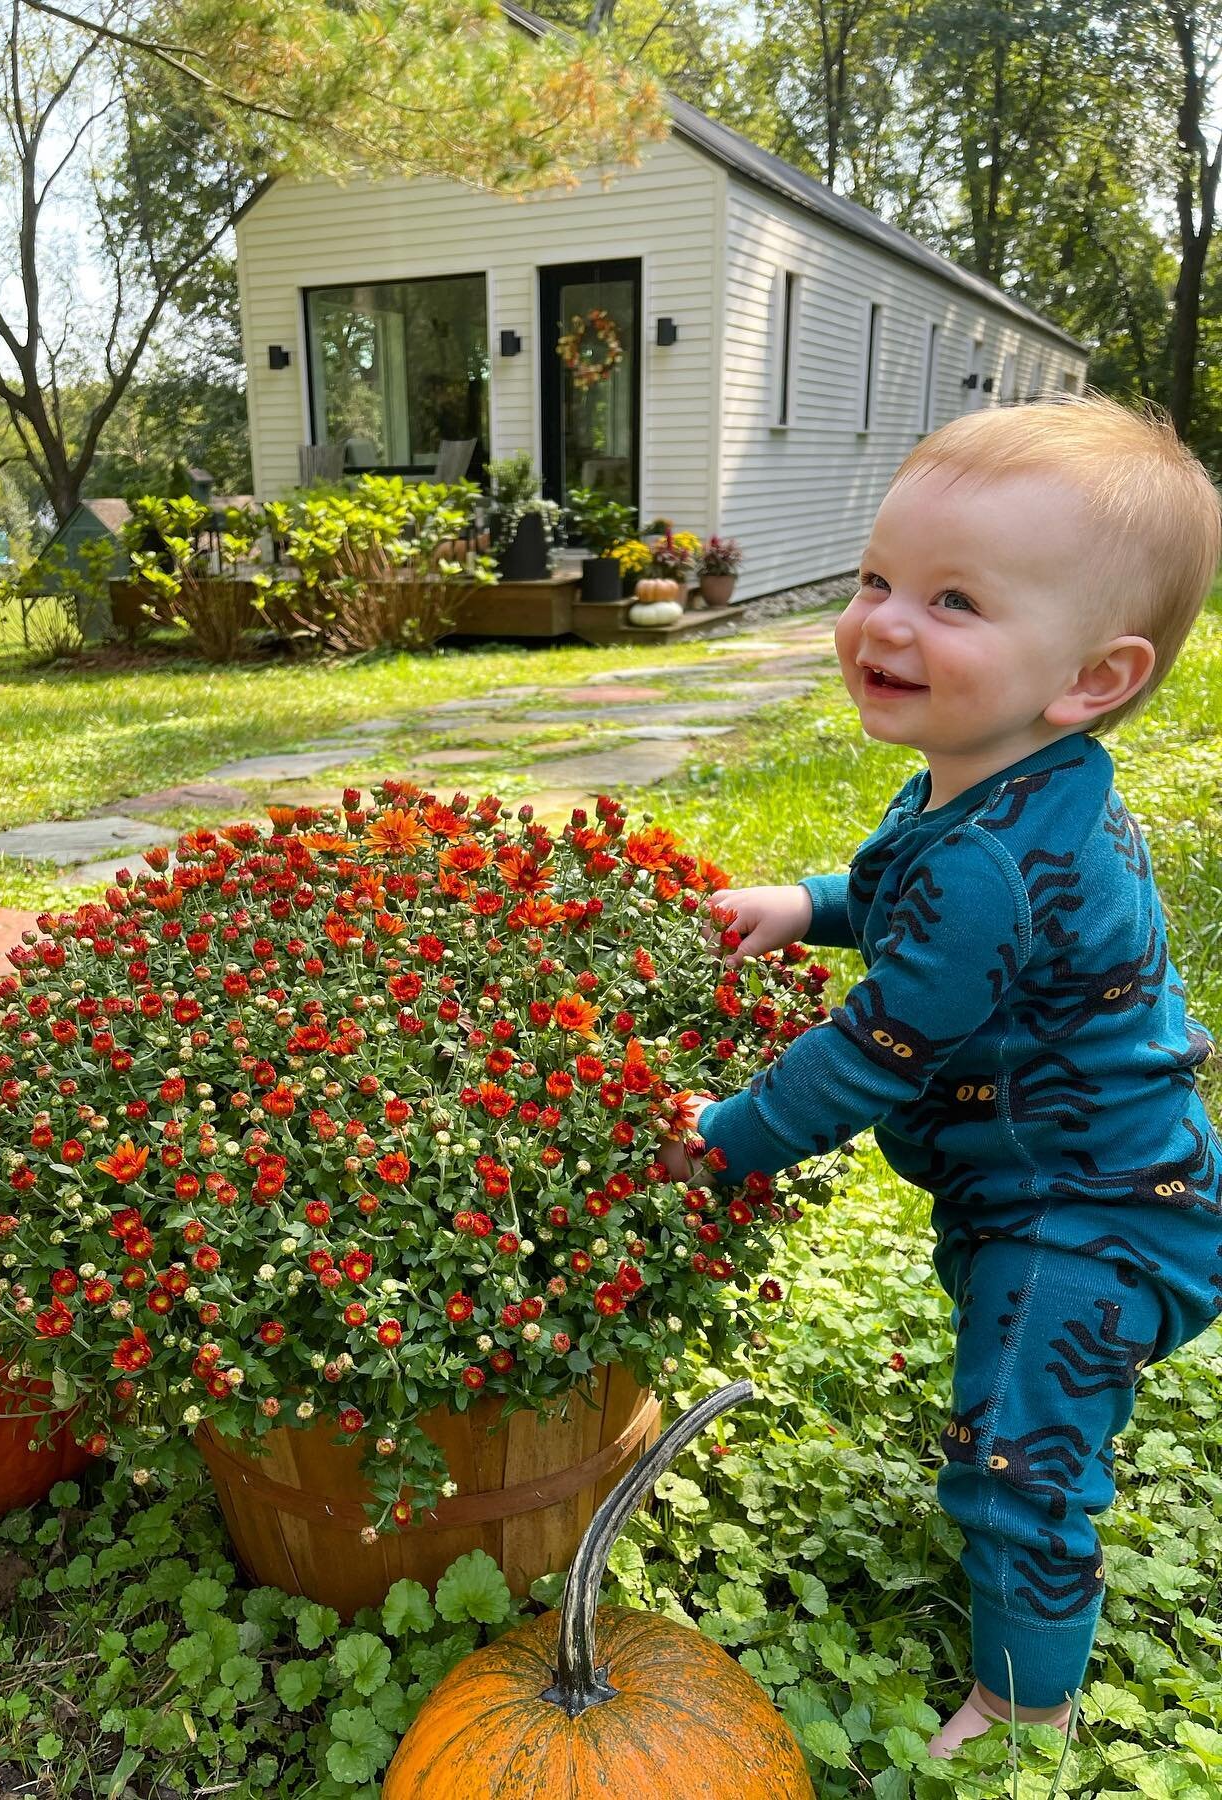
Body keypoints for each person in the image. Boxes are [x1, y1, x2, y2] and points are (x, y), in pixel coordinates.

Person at [661, 390, 1222, 1756]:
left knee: (1020, 1462)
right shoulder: (999, 781)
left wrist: (725, 1137)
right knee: (1016, 1392)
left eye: (954, 600)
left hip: (1092, 1216)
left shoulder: (990, 861)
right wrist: (808, 902)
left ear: (1095, 675)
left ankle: (1026, 1709)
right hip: (1063, 1178)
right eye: (875, 580)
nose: (885, 622)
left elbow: (872, 1052)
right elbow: (895, 886)